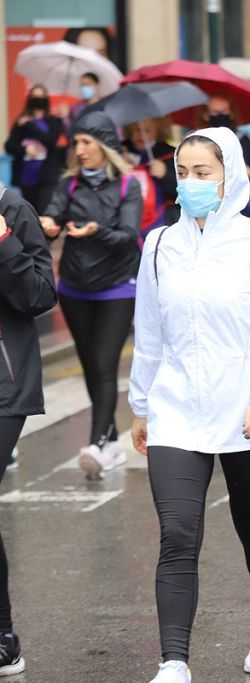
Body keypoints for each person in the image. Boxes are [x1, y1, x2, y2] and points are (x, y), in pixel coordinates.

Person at [129, 128, 250, 682]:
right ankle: (174, 662)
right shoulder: (159, 245)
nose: (192, 183)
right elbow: (149, 331)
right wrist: (140, 405)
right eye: (183, 173)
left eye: (204, 172)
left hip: (247, 408)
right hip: (177, 407)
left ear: (230, 176)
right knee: (178, 535)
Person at [38, 111, 142, 478]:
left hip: (117, 286)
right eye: (76, 143)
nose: (79, 150)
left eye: (86, 143)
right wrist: (48, 226)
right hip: (74, 287)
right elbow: (52, 219)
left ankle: (99, 442)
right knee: (90, 365)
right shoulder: (69, 185)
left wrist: (96, 231)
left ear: (104, 146)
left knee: (104, 363)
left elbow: (128, 236)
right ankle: (110, 437)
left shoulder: (129, 186)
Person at [0, 180, 58, 677]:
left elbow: (40, 296)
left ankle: (2, 634)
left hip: (3, 383)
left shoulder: (13, 209)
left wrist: (3, 244)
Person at [5, 85, 66, 215]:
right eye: (34, 96)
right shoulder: (20, 121)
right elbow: (9, 146)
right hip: (25, 177)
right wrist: (25, 149)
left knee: (45, 214)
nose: (38, 99)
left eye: (41, 96)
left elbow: (50, 141)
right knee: (29, 215)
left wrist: (29, 125)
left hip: (46, 177)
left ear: (46, 99)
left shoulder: (54, 121)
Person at [123, 117, 180, 233]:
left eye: (147, 130)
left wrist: (165, 174)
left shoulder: (170, 154)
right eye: (136, 129)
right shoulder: (121, 151)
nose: (140, 134)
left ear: (158, 131)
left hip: (162, 220)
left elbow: (181, 192)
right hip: (129, 219)